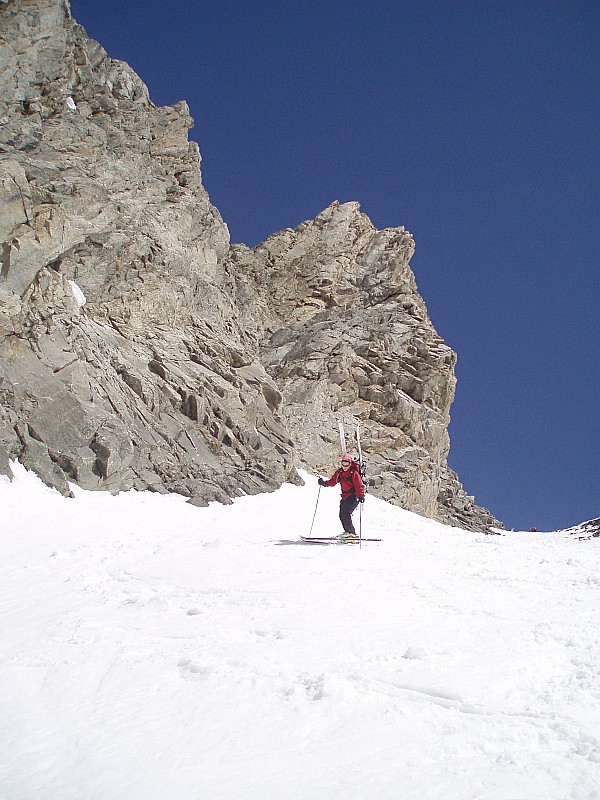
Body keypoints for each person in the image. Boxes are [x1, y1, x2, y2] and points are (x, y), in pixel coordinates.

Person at [318, 454, 365, 536]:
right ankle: (348, 532)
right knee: (341, 515)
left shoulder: (353, 473)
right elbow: (332, 482)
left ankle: (351, 533)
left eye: (347, 464)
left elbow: (359, 485)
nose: (345, 466)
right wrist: (324, 483)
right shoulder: (339, 472)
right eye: (343, 464)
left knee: (346, 513)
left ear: (350, 464)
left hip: (354, 496)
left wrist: (361, 495)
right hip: (345, 497)